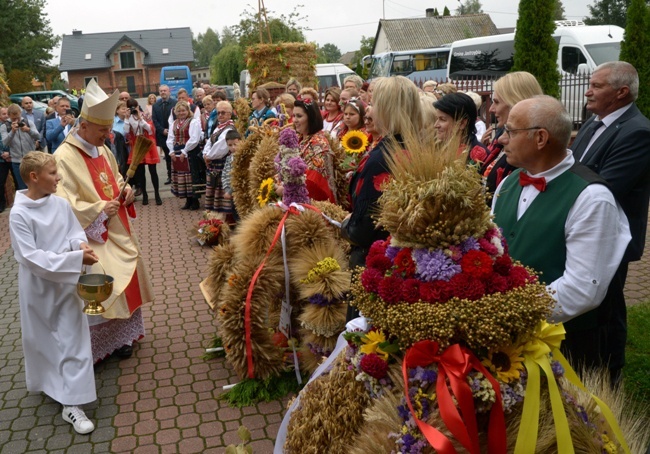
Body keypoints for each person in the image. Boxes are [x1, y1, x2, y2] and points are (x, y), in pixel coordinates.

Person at [491, 95, 630, 374]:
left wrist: (508, 312)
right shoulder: (507, 183)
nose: (501, 140)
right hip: (509, 342)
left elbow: (583, 288)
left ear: (540, 138)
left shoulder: (591, 197)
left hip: (570, 346)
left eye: (511, 131)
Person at [54, 79, 155, 363]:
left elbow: (115, 177)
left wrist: (124, 190)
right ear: (84, 125)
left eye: (109, 129)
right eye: (102, 130)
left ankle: (124, 336)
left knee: (128, 273)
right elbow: (64, 202)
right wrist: (99, 209)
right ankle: (98, 347)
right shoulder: (63, 157)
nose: (108, 135)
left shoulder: (103, 149)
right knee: (104, 280)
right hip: (92, 237)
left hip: (118, 227)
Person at [570, 61, 650, 384]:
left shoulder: (639, 132)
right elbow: (573, 165)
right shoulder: (594, 123)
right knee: (593, 311)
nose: (588, 90)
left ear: (621, 92)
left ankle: (609, 375)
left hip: (609, 238)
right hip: (584, 231)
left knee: (608, 309)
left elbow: (604, 186)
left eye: (596, 85)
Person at [9, 152, 100, 434]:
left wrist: (80, 247)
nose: (58, 177)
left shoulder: (60, 204)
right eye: (52, 173)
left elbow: (74, 232)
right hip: (39, 287)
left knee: (73, 339)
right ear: (34, 177)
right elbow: (30, 257)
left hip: (67, 283)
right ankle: (52, 384)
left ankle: (72, 405)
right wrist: (75, 260)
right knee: (45, 340)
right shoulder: (19, 213)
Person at [341, 76, 423, 321]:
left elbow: (368, 225)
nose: (369, 109)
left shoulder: (384, 156)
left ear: (388, 109)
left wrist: (345, 227)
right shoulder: (417, 145)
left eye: (374, 103)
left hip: (376, 263)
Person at [479, 71, 543, 202]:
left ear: (515, 103)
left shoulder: (527, 147)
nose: (491, 109)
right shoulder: (499, 136)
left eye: (496, 102)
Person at [292, 97, 338, 203]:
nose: (294, 120)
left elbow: (314, 184)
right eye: (293, 116)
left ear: (311, 118)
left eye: (299, 116)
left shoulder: (319, 144)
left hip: (315, 206)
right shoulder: (299, 139)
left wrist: (286, 189)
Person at [433, 92, 488, 166]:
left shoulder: (479, 156)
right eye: (436, 119)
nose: (435, 125)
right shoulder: (440, 149)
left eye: (442, 119)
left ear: (462, 123)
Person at [124, 99, 161, 206]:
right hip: (137, 144)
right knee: (140, 173)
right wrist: (127, 118)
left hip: (147, 143)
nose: (133, 109)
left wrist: (141, 119)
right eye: (130, 107)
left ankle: (157, 194)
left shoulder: (145, 115)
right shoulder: (129, 118)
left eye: (134, 107)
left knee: (153, 171)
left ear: (137, 106)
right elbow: (126, 131)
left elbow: (150, 130)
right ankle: (145, 194)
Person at [203, 102, 236, 218]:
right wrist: (205, 154)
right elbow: (209, 142)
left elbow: (220, 147)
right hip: (214, 164)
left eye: (223, 112)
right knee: (215, 191)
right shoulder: (219, 126)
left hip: (222, 164)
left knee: (222, 190)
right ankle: (214, 218)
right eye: (218, 113)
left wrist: (208, 156)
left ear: (230, 114)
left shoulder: (229, 129)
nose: (220, 115)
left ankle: (225, 219)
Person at [167, 100, 202, 209]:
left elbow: (194, 139)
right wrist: (171, 151)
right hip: (177, 152)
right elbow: (170, 138)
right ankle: (188, 200)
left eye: (183, 110)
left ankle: (195, 201)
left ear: (188, 111)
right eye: (179, 111)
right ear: (175, 112)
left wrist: (185, 151)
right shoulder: (174, 123)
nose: (181, 113)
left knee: (191, 177)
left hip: (190, 152)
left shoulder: (193, 121)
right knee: (182, 176)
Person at [1, 104, 41, 190]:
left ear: (20, 113)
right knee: (23, 188)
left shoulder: (28, 122)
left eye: (18, 118)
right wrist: (12, 132)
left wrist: (28, 130)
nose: (16, 120)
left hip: (31, 160)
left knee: (35, 185)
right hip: (17, 161)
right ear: (9, 116)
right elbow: (5, 143)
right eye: (13, 119)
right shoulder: (5, 126)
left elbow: (38, 137)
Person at [152, 84, 177, 185]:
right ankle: (170, 176)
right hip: (162, 135)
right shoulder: (156, 105)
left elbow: (177, 118)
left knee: (175, 156)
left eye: (165, 91)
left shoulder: (175, 103)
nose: (163, 92)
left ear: (169, 92)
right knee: (167, 157)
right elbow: (154, 120)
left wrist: (171, 131)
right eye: (161, 91)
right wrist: (162, 130)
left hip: (174, 135)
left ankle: (177, 176)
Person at [0, 106, 12, 212]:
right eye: (4, 114)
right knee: (0, 182)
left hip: (14, 158)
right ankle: (2, 205)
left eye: (8, 113)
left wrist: (10, 154)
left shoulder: (13, 125)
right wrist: (2, 154)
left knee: (19, 181)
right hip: (1, 160)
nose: (6, 116)